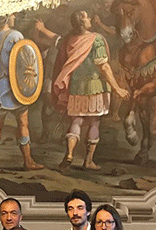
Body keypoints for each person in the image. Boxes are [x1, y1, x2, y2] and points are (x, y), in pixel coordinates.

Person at [49, 10, 129, 171]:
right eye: (86, 17)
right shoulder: (96, 39)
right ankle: (88, 161)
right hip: (95, 87)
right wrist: (117, 88)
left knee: (76, 121)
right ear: (81, 22)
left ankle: (70, 154)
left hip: (76, 87)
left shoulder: (71, 39)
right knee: (94, 122)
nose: (90, 18)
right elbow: (104, 67)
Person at [0, 14, 44, 174]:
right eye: (12, 15)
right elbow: (25, 61)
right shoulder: (16, 35)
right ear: (7, 18)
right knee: (23, 124)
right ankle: (27, 161)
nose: (14, 17)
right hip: (16, 88)